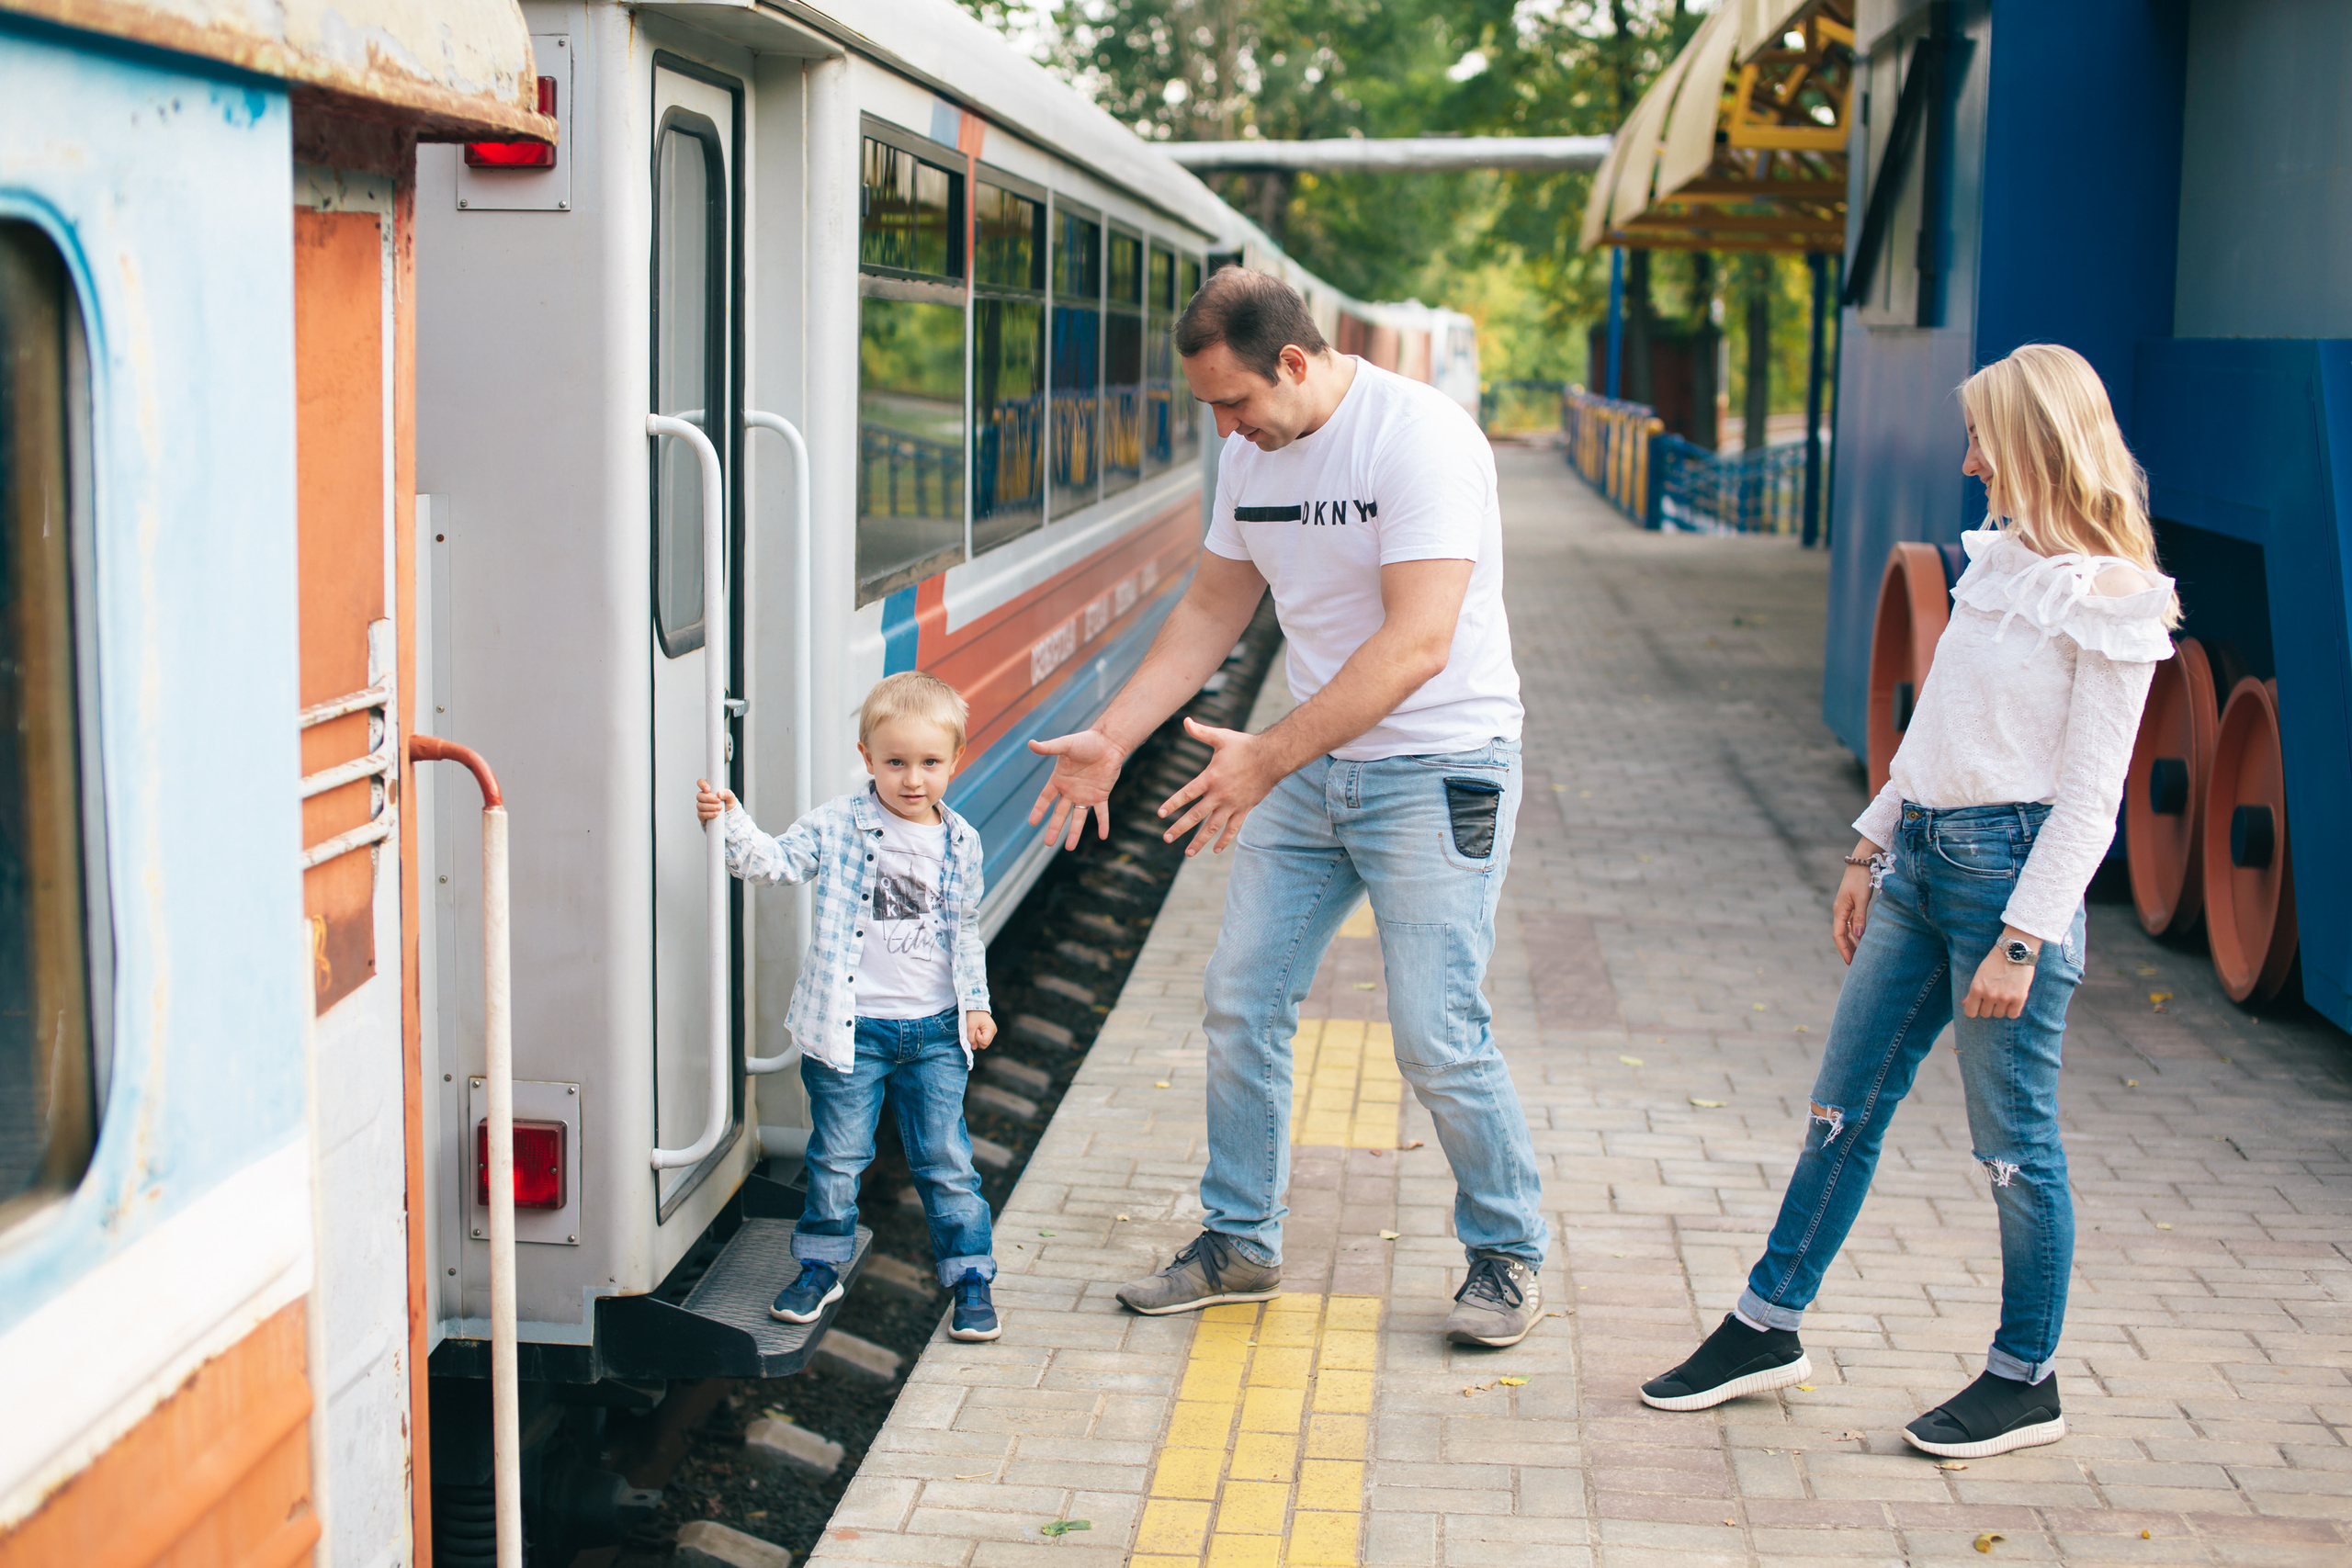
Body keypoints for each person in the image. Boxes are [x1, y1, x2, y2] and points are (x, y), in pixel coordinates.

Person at [1639, 344, 2179, 1457]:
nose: (1970, 461)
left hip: (2008, 887)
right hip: (1920, 862)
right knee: (1840, 1111)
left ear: (2035, 440)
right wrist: (1867, 842)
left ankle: (2024, 1377)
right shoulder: (1994, 561)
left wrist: (2021, 942)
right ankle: (1764, 1327)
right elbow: (1938, 724)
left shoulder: (2114, 599)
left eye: (1983, 438)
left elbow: (2090, 801)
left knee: (2013, 1148)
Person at [1026, 266, 1548, 1347]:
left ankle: (1506, 1255)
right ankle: (1240, 1242)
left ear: (1296, 363)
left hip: (1435, 765)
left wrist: (1265, 756)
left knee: (1435, 1034)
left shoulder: (1423, 442)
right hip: (1313, 762)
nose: (1226, 427)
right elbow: (1217, 602)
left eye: (1236, 403)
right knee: (1239, 999)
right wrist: (1115, 740)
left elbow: (1417, 643)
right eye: (1214, 408)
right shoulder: (1244, 455)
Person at [695, 671, 1002, 1341]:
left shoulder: (962, 841)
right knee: (836, 1157)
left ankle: (971, 1276)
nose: (912, 779)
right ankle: (820, 1267)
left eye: (929, 762)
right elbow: (773, 863)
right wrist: (731, 821)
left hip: (934, 1033)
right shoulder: (839, 824)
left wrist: (975, 1003)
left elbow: (966, 930)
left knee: (945, 1158)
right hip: (851, 1033)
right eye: (895, 762)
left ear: (956, 759)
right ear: (867, 758)